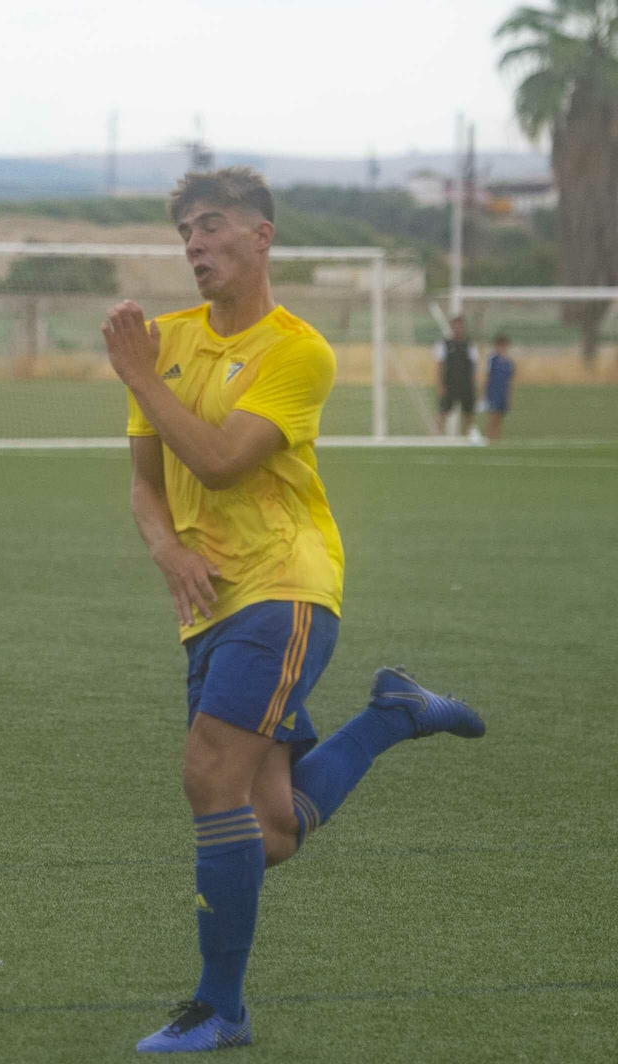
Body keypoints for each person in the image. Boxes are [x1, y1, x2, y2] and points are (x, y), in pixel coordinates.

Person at [101, 167, 485, 1054]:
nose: (194, 246)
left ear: (262, 235)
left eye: (210, 227)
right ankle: (394, 716)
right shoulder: (164, 341)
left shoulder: (297, 350)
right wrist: (165, 551)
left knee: (208, 775)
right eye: (184, 234)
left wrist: (137, 373)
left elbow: (224, 459)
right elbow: (145, 483)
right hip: (207, 600)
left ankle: (220, 1008)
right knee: (268, 832)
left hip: (286, 583)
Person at [435, 315, 480, 440]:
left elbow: (474, 366)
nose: (458, 329)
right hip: (449, 384)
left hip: (466, 384)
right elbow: (440, 366)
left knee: (468, 414)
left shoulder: (470, 345)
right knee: (442, 412)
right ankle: (435, 437)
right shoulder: (444, 344)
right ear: (452, 327)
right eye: (455, 326)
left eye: (460, 326)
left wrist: (475, 385)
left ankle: (466, 438)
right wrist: (440, 385)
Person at [483, 332, 516, 442]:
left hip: (503, 393)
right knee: (493, 417)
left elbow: (510, 381)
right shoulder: (492, 360)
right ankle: (488, 438)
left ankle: (496, 439)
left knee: (500, 419)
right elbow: (487, 377)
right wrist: (484, 394)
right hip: (493, 393)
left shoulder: (509, 362)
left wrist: (509, 397)